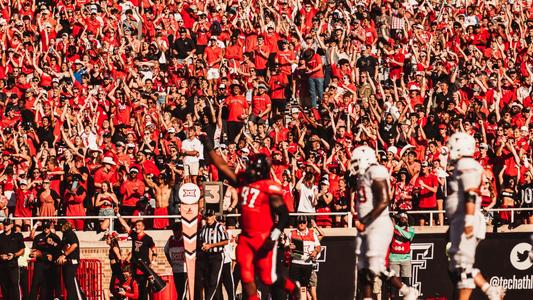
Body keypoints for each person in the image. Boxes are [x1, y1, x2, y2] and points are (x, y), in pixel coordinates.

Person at [200, 135, 299, 300]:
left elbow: (284, 215)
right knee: (246, 275)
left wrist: (273, 236)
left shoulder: (270, 187)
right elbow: (223, 166)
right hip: (246, 237)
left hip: (263, 237)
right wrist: (210, 147)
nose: (250, 168)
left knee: (268, 278)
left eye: (253, 166)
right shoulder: (243, 180)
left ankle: (291, 286)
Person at [349, 146, 418, 300]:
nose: (353, 164)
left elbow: (384, 199)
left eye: (356, 161)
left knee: (375, 264)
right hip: (366, 224)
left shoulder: (376, 171)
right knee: (362, 266)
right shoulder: (362, 176)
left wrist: (365, 221)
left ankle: (407, 291)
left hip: (378, 223)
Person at [445, 133, 505, 300]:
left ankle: (488, 291)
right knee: (455, 268)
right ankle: (490, 290)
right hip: (461, 218)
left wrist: (469, 221)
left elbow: (471, 192)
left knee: (462, 268)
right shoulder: (464, 164)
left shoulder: (466, 164)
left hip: (467, 217)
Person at [117, 216, 156, 300]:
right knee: (134, 286)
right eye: (136, 225)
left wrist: (153, 262)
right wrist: (118, 215)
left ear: (143, 227)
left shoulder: (148, 238)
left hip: (143, 266)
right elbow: (125, 225)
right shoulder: (134, 235)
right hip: (134, 265)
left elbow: (154, 250)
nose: (137, 227)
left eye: (139, 225)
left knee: (143, 287)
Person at [286, 216, 321, 299]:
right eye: (299, 222)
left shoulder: (312, 233)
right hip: (296, 263)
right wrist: (289, 246)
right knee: (293, 286)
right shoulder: (292, 233)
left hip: (307, 264)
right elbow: (286, 245)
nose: (301, 224)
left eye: (303, 222)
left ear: (306, 223)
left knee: (304, 287)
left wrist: (315, 251)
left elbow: (318, 246)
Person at [198, 208, 229, 300]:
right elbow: (200, 239)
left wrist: (211, 245)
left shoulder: (219, 227)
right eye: (207, 216)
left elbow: (226, 241)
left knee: (213, 280)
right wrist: (202, 244)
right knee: (207, 280)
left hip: (217, 256)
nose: (208, 218)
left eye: (210, 216)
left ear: (214, 216)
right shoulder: (204, 228)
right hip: (207, 256)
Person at [29, 221, 62, 300]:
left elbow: (60, 250)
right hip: (40, 263)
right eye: (44, 227)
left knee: (47, 286)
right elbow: (33, 250)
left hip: (50, 265)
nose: (46, 229)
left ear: (50, 227)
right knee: (35, 283)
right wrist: (33, 254)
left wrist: (53, 256)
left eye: (47, 227)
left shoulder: (55, 237)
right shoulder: (37, 237)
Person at [57, 221, 86, 300]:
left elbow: (74, 244)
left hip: (71, 261)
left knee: (72, 284)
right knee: (69, 285)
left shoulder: (70, 233)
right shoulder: (65, 235)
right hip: (67, 263)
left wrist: (64, 255)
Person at [389, 213, 415, 297]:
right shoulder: (392, 229)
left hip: (406, 258)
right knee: (394, 281)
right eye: (401, 217)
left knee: (406, 281)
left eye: (405, 217)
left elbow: (408, 236)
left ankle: (407, 297)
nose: (403, 218)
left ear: (407, 220)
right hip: (394, 258)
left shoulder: (411, 229)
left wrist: (396, 227)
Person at [0, 218, 25, 300]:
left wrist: (14, 255)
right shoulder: (0, 237)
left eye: (7, 224)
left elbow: (22, 250)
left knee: (14, 285)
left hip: (13, 265)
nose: (5, 226)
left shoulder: (17, 235)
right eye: (4, 224)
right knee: (4, 287)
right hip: (2, 266)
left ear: (11, 225)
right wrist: (1, 256)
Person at [164, 222, 187, 300]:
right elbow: (166, 251)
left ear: (181, 230)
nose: (175, 233)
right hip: (175, 270)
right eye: (174, 231)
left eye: (177, 230)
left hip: (184, 270)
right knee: (179, 291)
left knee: (183, 292)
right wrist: (170, 263)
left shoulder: (185, 240)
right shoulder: (171, 239)